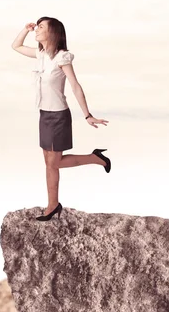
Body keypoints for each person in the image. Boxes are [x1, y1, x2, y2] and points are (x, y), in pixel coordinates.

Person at [11, 17, 111, 221]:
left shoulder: (62, 57)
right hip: (44, 114)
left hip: (58, 117)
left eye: (41, 27)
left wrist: (87, 115)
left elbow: (75, 86)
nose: (36, 30)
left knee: (54, 163)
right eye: (36, 26)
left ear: (53, 32)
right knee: (49, 163)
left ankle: (95, 159)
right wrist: (25, 29)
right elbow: (16, 46)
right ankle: (52, 204)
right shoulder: (40, 54)